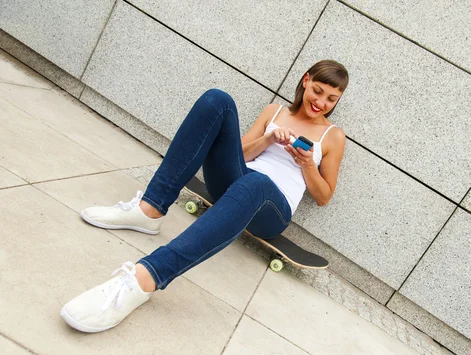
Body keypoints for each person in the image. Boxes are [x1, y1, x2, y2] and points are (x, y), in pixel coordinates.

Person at [60, 60, 349, 333]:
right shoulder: (274, 112)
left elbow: (324, 196)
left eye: (331, 99)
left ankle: (144, 279)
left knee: (257, 183)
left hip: (272, 208)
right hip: (238, 184)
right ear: (306, 81)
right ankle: (149, 210)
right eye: (318, 91)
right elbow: (240, 154)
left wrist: (308, 164)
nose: (321, 102)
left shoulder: (333, 136)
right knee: (217, 100)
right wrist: (270, 139)